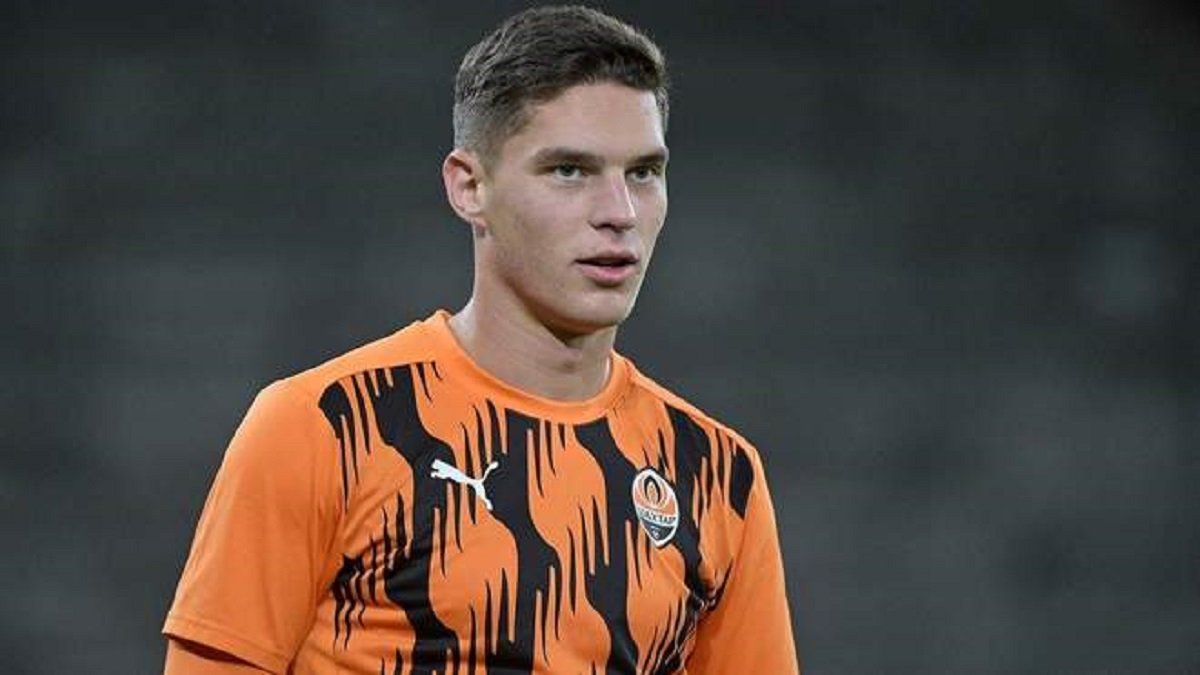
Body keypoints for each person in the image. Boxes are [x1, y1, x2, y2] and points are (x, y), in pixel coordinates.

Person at [163, 5, 799, 674]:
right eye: (569, 170)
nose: (619, 212)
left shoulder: (717, 475)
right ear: (469, 187)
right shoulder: (325, 427)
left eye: (643, 172)